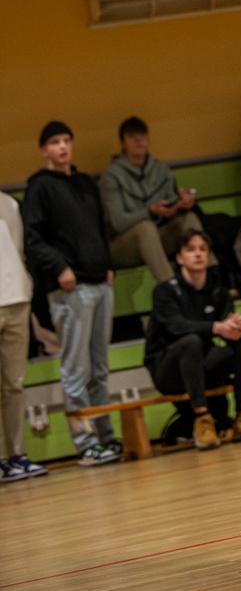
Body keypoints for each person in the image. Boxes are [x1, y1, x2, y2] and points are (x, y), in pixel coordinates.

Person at [21, 121, 119, 467]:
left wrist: (108, 263)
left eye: (66, 140)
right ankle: (84, 442)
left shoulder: (85, 183)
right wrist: (60, 267)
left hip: (100, 283)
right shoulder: (39, 187)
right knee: (76, 370)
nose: (62, 146)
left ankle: (106, 435)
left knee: (100, 368)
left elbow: (100, 228)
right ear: (44, 149)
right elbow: (32, 240)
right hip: (71, 289)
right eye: (54, 142)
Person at [145, 230, 241, 450]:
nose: (198, 254)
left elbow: (227, 325)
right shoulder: (164, 291)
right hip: (167, 369)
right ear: (180, 257)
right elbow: (177, 327)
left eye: (203, 249)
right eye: (191, 250)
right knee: (191, 341)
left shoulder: (219, 292)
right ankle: (202, 419)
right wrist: (216, 327)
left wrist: (235, 329)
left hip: (201, 364)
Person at [99, 116, 203, 283]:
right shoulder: (111, 176)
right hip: (123, 245)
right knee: (145, 228)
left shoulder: (161, 169)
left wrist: (180, 204)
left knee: (189, 219)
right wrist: (150, 212)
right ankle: (171, 288)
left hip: (158, 236)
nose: (139, 141)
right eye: (132, 137)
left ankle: (208, 281)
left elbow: (171, 203)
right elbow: (118, 222)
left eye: (142, 136)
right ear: (123, 144)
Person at [0, 191, 47, 482]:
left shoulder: (8, 203)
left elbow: (18, 250)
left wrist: (25, 289)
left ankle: (17, 453)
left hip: (16, 299)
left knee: (14, 384)